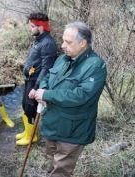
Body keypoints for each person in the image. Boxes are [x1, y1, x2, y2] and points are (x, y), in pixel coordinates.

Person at [34, 21, 107, 177]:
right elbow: (48, 76)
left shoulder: (96, 65)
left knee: (61, 170)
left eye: (68, 42)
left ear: (82, 43)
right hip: (52, 123)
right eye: (63, 41)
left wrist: (47, 95)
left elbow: (82, 95)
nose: (62, 46)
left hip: (73, 129)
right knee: (51, 160)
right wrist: (43, 88)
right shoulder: (63, 59)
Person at [16, 12, 57, 146]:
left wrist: (36, 88)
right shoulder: (38, 40)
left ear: (41, 27)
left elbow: (46, 68)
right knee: (26, 106)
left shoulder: (48, 43)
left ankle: (32, 137)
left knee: (30, 108)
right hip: (30, 79)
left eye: (33, 26)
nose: (30, 28)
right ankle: (28, 132)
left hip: (35, 82)